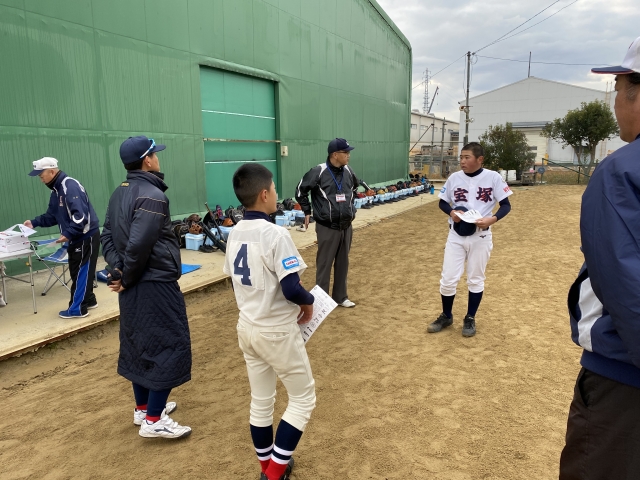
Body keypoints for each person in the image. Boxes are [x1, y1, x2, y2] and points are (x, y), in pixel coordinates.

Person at [559, 36, 640, 479]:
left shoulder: (622, 170)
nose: (615, 102)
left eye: (619, 88)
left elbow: (626, 287)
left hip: (624, 382)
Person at [224, 163, 315, 480]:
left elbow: (234, 281)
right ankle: (274, 474)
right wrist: (309, 301)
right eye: (274, 189)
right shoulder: (276, 234)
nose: (276, 194)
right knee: (303, 399)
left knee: (262, 401)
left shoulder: (234, 232)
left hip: (247, 326)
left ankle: (268, 468)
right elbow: (291, 288)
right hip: (275, 329)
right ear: (264, 194)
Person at [101, 136, 192, 439]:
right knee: (170, 344)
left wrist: (118, 270)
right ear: (147, 160)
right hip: (155, 283)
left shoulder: (119, 192)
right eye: (155, 154)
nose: (157, 158)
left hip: (134, 283)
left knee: (139, 345)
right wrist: (126, 275)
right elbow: (140, 244)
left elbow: (107, 236)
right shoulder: (152, 195)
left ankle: (143, 409)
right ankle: (154, 420)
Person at [427, 142, 512, 337]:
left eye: (467, 157)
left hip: (480, 236)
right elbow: (443, 202)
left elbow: (506, 205)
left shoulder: (493, 177)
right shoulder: (455, 178)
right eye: (461, 157)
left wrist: (492, 219)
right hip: (456, 235)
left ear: (480, 159)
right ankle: (446, 315)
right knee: (448, 279)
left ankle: (470, 317)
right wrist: (452, 212)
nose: (462, 161)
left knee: (475, 279)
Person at [25, 157, 100, 319]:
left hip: (85, 236)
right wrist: (34, 223)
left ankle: (77, 309)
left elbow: (80, 216)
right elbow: (52, 216)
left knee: (81, 272)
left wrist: (68, 233)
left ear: (52, 172)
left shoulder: (69, 186)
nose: (41, 179)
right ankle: (89, 299)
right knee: (78, 271)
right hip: (76, 237)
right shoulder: (56, 190)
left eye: (41, 175)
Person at [295, 138, 359, 307]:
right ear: (335, 155)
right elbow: (300, 190)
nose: (349, 155)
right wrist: (307, 211)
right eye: (345, 152)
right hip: (327, 226)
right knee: (324, 263)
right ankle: (322, 301)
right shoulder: (319, 171)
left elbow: (355, 187)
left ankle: (341, 297)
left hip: (346, 225)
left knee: (343, 262)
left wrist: (350, 207)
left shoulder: (348, 171)